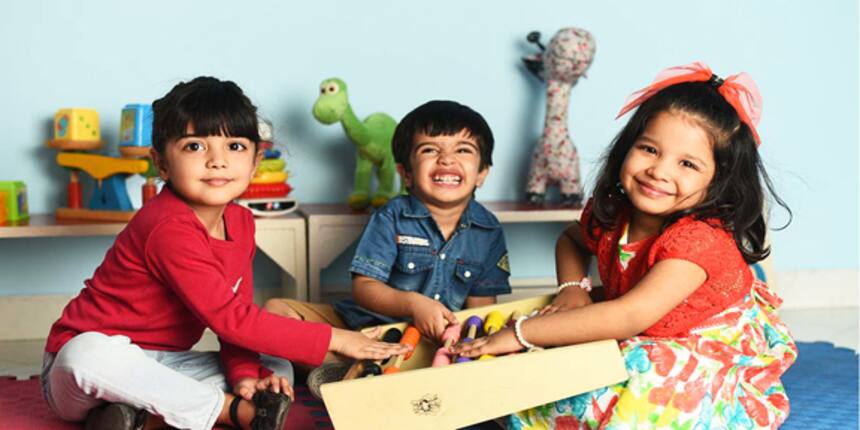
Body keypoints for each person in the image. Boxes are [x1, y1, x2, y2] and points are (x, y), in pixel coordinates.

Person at [41, 76, 407, 430]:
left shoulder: (242, 222)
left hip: (163, 363)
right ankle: (232, 412)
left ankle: (140, 417)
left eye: (234, 147)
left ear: (255, 161)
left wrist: (245, 375)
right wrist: (338, 338)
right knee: (86, 354)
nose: (217, 160)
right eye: (195, 146)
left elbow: (239, 318)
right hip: (81, 371)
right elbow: (231, 319)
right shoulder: (168, 226)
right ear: (161, 163)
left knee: (274, 367)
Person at [453, 62, 797, 429]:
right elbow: (571, 240)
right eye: (649, 149)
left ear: (716, 182)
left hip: (700, 341)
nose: (659, 171)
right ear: (626, 148)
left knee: (634, 379)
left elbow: (629, 316)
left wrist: (519, 334)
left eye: (687, 164)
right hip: (640, 316)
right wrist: (572, 289)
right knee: (566, 345)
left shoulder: (697, 240)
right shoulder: (615, 211)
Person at [264, 100, 512, 392]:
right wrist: (412, 303)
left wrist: (464, 346)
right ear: (405, 173)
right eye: (430, 150)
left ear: (482, 172)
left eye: (463, 150)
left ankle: (367, 378)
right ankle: (343, 368)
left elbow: (480, 311)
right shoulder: (392, 216)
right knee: (274, 311)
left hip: (431, 345)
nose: (446, 160)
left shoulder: (488, 229)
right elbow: (364, 287)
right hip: (361, 330)